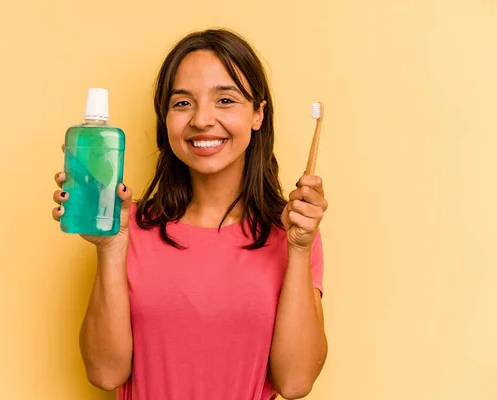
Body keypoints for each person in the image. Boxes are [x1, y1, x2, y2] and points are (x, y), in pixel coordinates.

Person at [52, 28, 328, 400]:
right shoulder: (127, 227)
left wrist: (298, 250)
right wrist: (110, 248)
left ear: (258, 114)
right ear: (165, 119)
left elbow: (295, 383)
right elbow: (105, 372)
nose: (201, 119)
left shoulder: (291, 232)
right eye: (182, 103)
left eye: (225, 100)